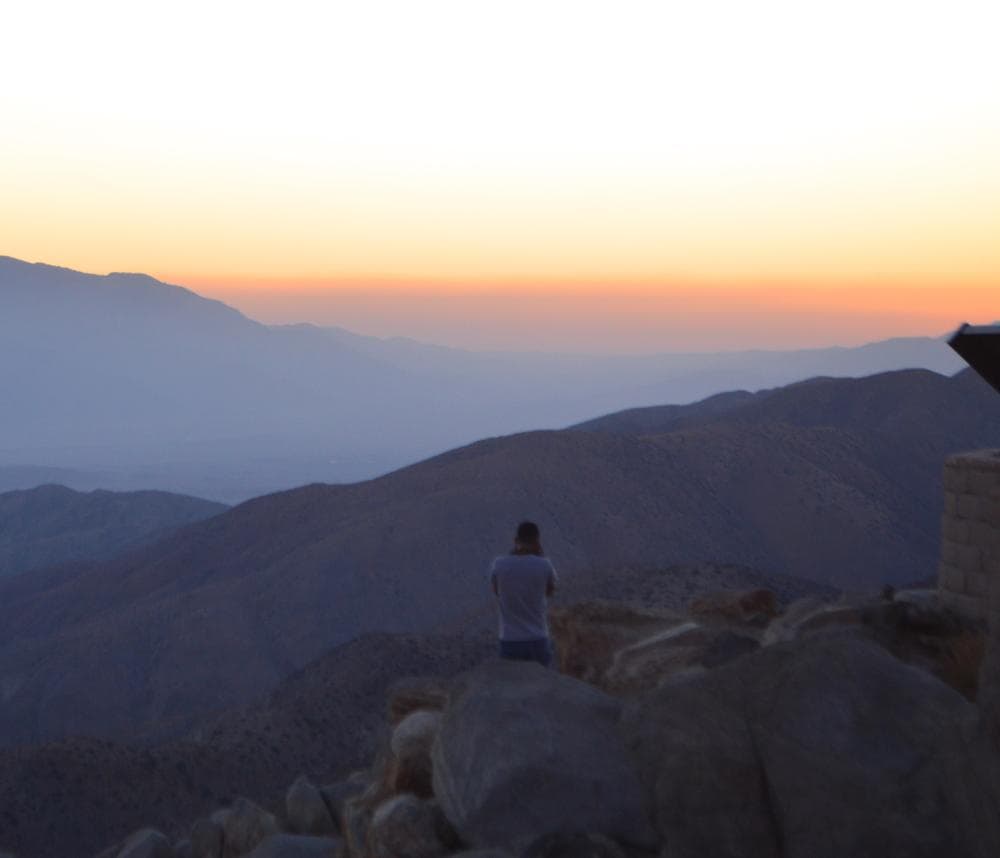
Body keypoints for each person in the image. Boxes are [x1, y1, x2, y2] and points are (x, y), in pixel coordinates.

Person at [489, 520, 558, 667]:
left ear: (516, 540)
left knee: (511, 687)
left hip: (509, 639)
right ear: (537, 540)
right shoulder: (545, 564)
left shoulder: (499, 564)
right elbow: (550, 592)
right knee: (544, 686)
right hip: (538, 638)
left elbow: (496, 591)